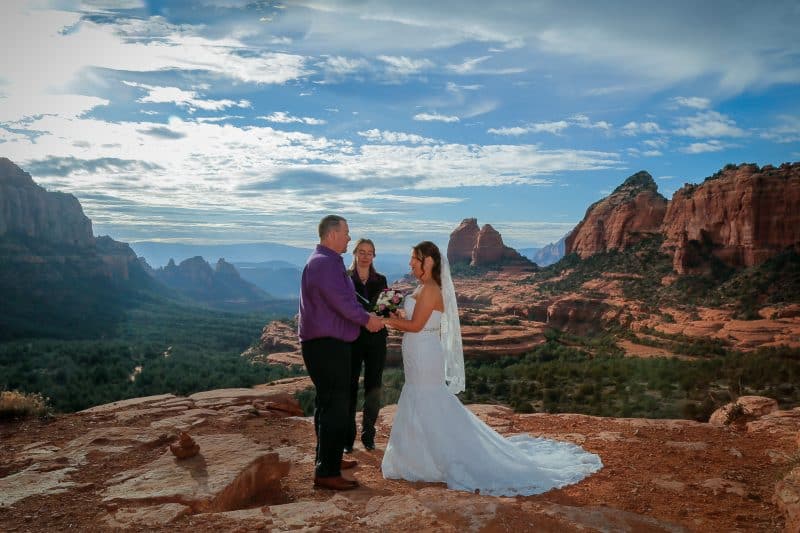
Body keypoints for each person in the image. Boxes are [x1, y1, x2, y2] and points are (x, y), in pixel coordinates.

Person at [380, 241, 603, 496]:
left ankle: (432, 459)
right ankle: (418, 456)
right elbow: (414, 321)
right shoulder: (422, 287)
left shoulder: (430, 289)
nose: (410, 263)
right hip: (417, 351)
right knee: (421, 396)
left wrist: (386, 320)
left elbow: (418, 325)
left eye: (414, 259)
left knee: (428, 398)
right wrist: (396, 318)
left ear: (428, 261)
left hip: (424, 351)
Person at [298, 215, 384, 491]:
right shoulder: (324, 264)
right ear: (333, 234)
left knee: (328, 404)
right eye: (346, 233)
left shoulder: (327, 262)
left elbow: (348, 300)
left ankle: (329, 459)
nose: (349, 237)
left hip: (328, 343)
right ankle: (327, 471)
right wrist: (367, 320)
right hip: (326, 345)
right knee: (335, 406)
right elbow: (343, 304)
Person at [345, 238, 389, 452]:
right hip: (351, 338)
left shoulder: (380, 280)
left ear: (374, 256)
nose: (365, 256)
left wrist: (377, 316)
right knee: (350, 387)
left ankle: (368, 435)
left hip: (376, 338)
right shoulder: (344, 278)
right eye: (361, 251)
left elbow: (385, 308)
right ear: (354, 253)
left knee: (373, 387)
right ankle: (347, 438)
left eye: (369, 252)